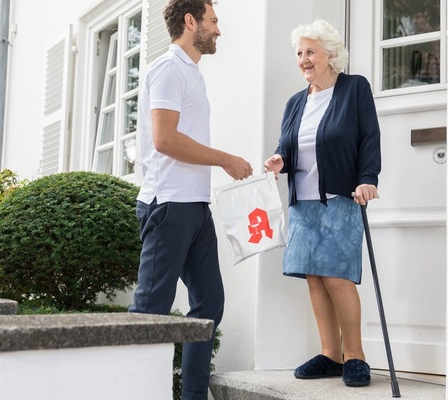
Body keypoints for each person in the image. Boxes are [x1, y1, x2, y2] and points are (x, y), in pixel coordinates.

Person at [129, 1, 252, 399]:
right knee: (150, 314)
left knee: (209, 305)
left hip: (195, 207)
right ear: (190, 21)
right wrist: (225, 159)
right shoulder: (167, 69)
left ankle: (194, 396)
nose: (218, 30)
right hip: (168, 206)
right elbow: (165, 139)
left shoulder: (191, 73)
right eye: (213, 21)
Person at [264, 19, 381, 388]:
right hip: (304, 200)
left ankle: (356, 355)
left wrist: (368, 178)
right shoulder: (296, 102)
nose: (303, 60)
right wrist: (279, 159)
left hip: (340, 198)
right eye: (299, 53)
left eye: (310, 52)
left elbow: (369, 137)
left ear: (330, 54)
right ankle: (331, 354)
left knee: (338, 276)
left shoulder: (354, 89)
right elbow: (288, 145)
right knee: (314, 276)